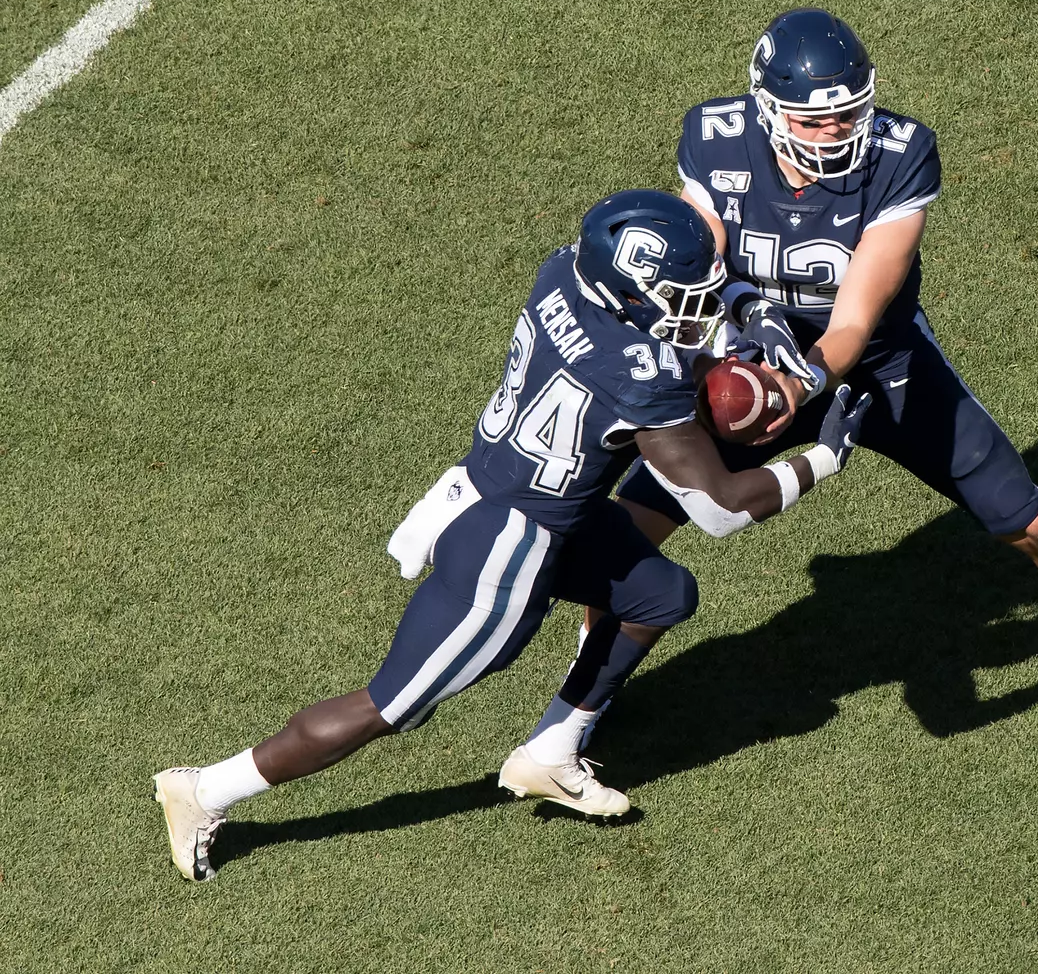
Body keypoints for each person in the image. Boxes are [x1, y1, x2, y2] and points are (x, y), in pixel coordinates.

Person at [152, 189, 870, 881]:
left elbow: (658, 336)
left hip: (518, 495)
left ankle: (552, 750)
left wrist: (749, 320)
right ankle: (206, 790)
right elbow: (720, 509)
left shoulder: (563, 271)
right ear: (634, 290)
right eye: (686, 296)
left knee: (661, 592)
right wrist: (823, 457)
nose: (699, 309)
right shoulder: (641, 376)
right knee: (393, 706)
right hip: (509, 546)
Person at [606, 8, 1038, 710]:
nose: (838, 133)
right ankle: (582, 702)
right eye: (816, 122)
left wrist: (800, 381)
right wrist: (743, 350)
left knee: (1032, 519)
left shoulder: (901, 153)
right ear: (767, 110)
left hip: (881, 369)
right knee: (628, 528)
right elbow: (707, 267)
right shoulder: (714, 137)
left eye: (848, 115)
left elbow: (854, 320)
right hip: (755, 362)